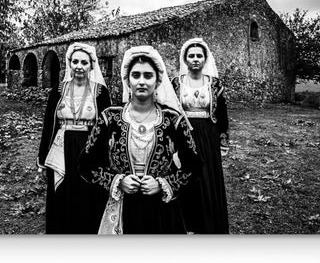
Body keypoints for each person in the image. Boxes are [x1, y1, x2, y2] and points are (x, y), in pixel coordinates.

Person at [78, 46, 201, 234]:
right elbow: (86, 163)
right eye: (136, 75)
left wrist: (163, 184)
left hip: (162, 211)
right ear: (128, 80)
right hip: (120, 207)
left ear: (158, 80)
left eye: (148, 76)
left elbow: (194, 166)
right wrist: (117, 181)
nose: (141, 81)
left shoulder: (173, 119)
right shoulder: (109, 117)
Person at [37, 42, 111, 234]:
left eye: (84, 62)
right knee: (62, 194)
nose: (79, 66)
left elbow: (107, 128)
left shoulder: (101, 93)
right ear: (69, 64)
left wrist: (105, 159)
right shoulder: (58, 91)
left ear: (91, 66)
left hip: (89, 148)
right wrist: (43, 160)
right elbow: (49, 125)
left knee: (87, 193)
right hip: (62, 148)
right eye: (75, 61)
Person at [171, 37, 230, 234]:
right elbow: (169, 111)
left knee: (207, 177)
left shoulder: (214, 84)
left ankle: (209, 223)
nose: (195, 59)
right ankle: (187, 223)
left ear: (205, 59)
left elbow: (222, 114)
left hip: (207, 136)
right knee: (187, 176)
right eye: (191, 55)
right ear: (185, 59)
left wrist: (222, 140)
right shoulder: (176, 83)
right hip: (184, 135)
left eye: (199, 56)